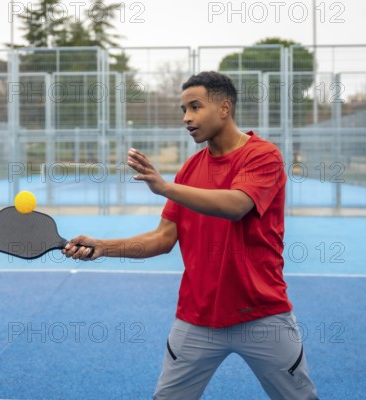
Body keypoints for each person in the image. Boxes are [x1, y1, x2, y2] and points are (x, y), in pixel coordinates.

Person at [62, 71, 318, 399]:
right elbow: (163, 239)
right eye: (183, 110)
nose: (187, 118)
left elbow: (236, 205)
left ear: (225, 108)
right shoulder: (189, 170)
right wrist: (103, 246)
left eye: (195, 107)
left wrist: (167, 187)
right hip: (197, 319)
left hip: (262, 316)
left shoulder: (263, 156)